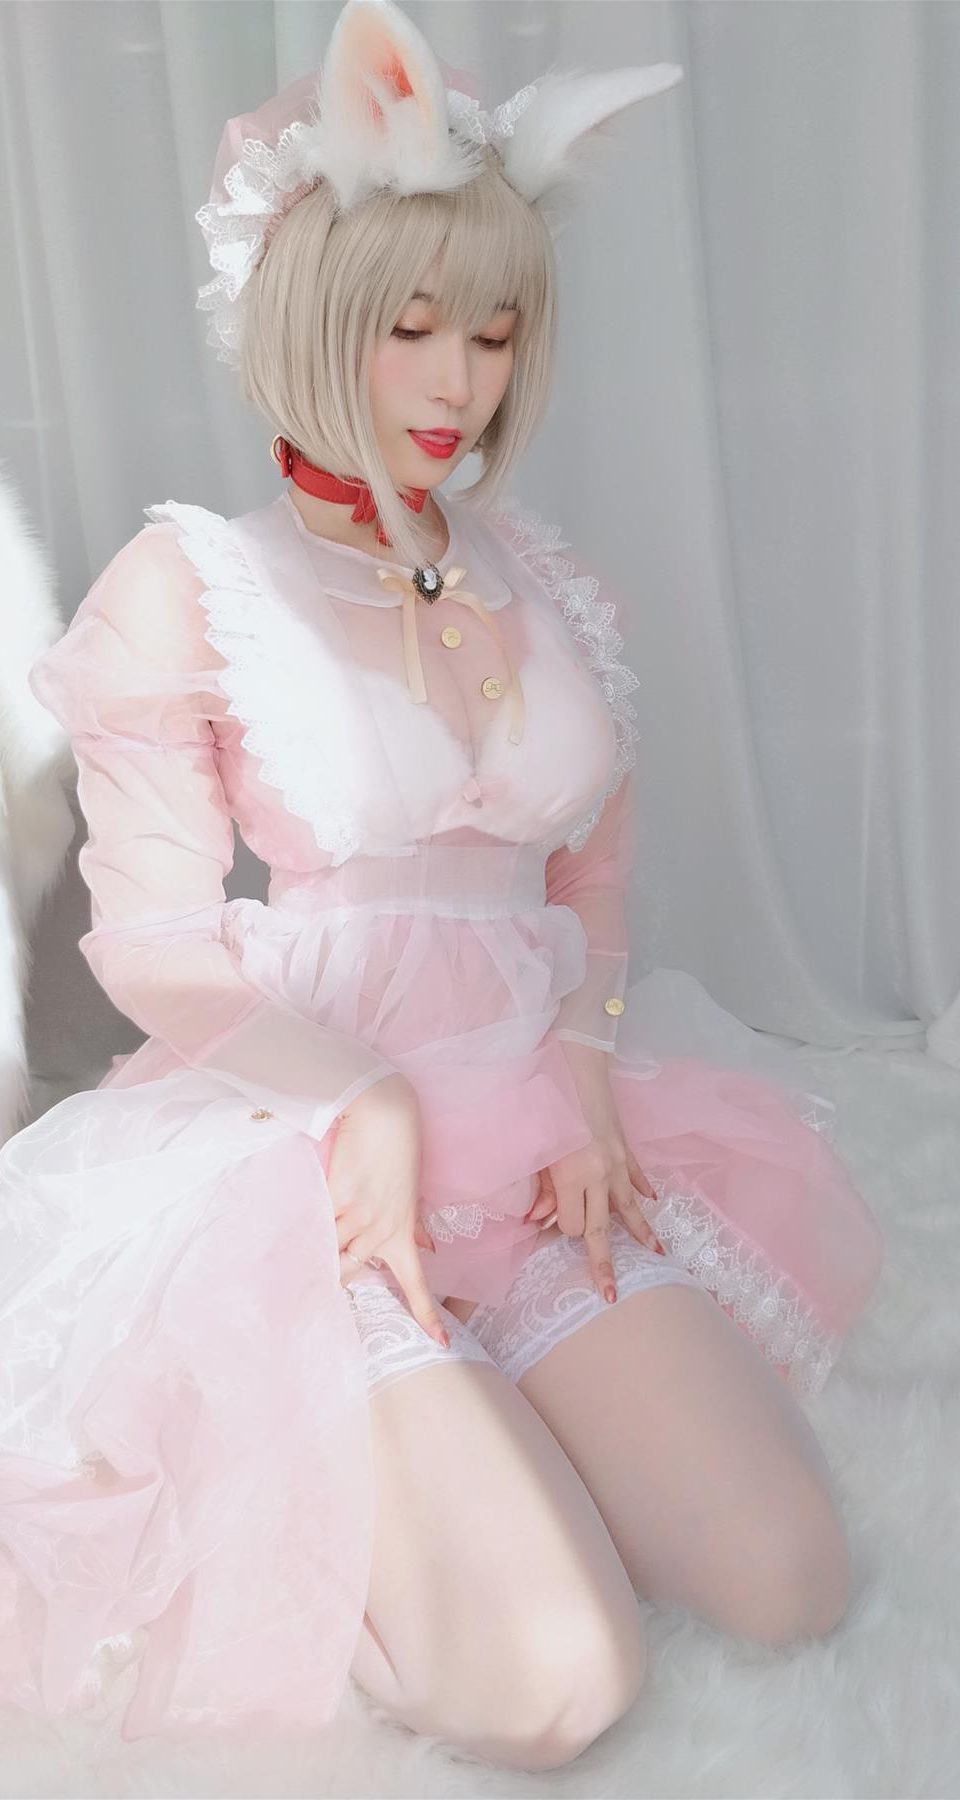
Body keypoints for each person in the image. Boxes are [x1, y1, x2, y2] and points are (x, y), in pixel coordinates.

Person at [0, 0, 884, 1771]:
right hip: (303, 1144)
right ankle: (357, 1493)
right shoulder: (190, 587)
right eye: (410, 325)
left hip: (534, 1131)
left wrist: (587, 1079)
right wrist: (365, 1100)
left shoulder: (547, 583)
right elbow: (152, 942)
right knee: (557, 1685)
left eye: (492, 328)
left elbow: (591, 891)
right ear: (307, 314)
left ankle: (510, 1425)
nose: (460, 380)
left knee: (788, 1581)